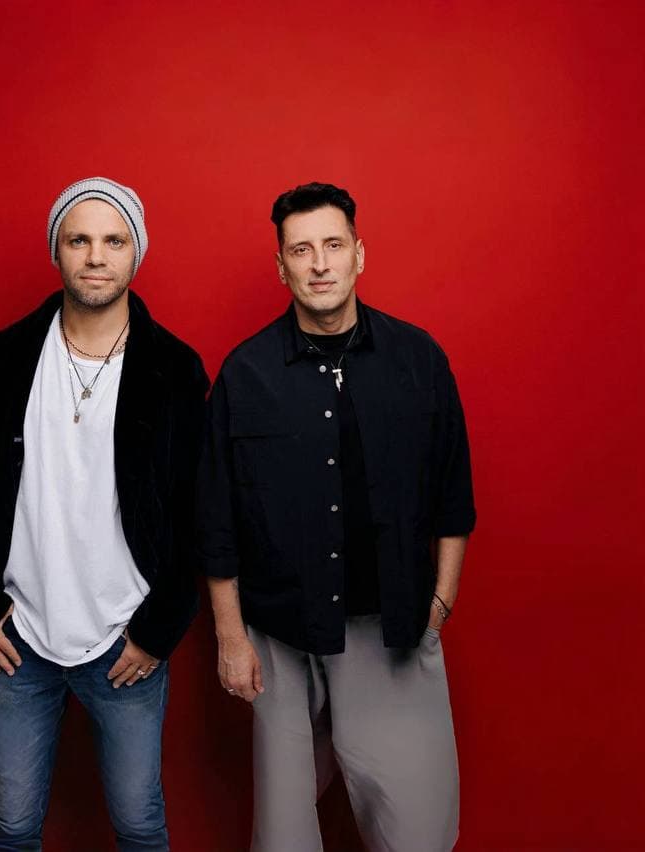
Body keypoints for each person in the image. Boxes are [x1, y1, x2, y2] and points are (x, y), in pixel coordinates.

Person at [197, 182, 476, 851]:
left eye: (333, 245)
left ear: (359, 254)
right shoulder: (245, 374)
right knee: (284, 835)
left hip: (391, 626)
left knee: (417, 830)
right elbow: (216, 516)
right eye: (301, 250)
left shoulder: (419, 359)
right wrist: (231, 636)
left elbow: (452, 491)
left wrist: (441, 598)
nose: (319, 263)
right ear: (282, 266)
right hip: (280, 635)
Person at [0, 177, 207, 851]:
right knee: (12, 827)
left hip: (125, 639)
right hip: (20, 638)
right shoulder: (8, 357)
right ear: (56, 251)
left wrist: (157, 631)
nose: (96, 256)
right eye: (79, 240)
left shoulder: (175, 369)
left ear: (135, 252)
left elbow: (196, 513)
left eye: (114, 241)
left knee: (139, 825)